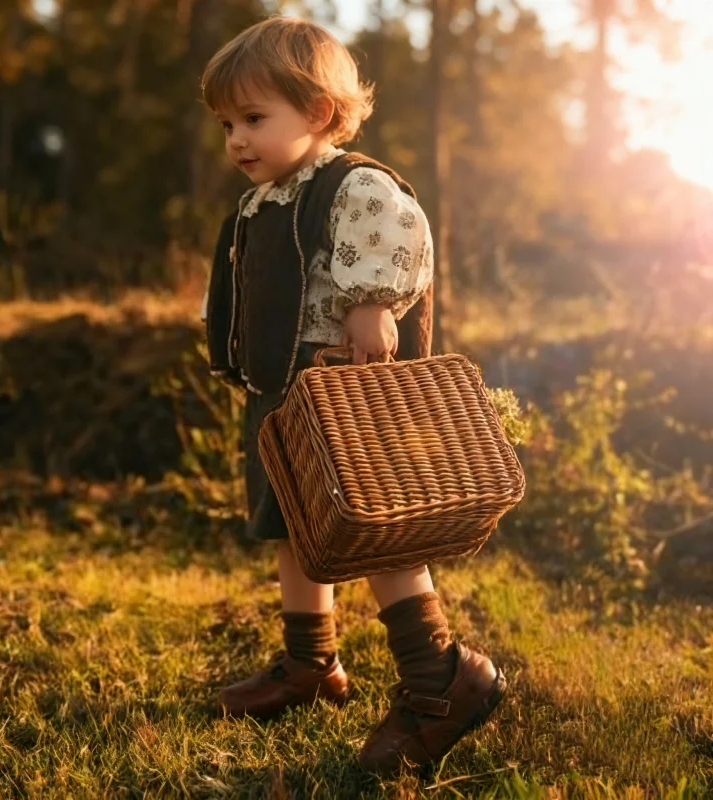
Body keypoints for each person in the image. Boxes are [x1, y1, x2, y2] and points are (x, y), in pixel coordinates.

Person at [200, 16, 506, 775]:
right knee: (293, 524)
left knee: (373, 527)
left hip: (340, 387)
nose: (237, 139)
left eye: (254, 118)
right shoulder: (263, 200)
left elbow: (398, 235)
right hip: (280, 389)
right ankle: (311, 662)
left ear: (320, 114)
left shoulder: (352, 185)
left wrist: (374, 302)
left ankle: (439, 675)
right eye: (228, 123)